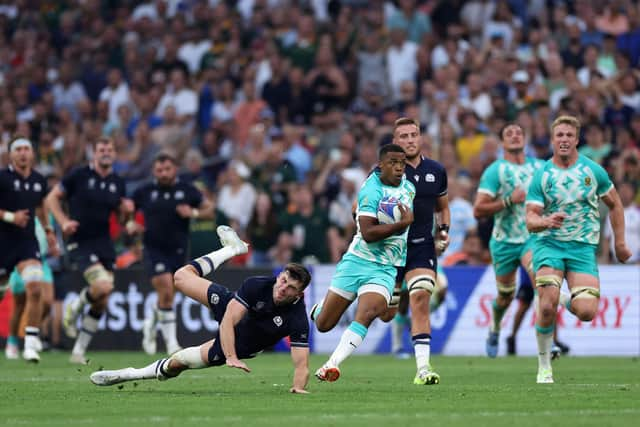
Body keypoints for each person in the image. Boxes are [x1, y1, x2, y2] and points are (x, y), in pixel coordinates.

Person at [90, 226, 312, 394]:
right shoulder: (258, 284)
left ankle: (130, 374)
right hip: (231, 314)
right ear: (279, 275)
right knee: (180, 277)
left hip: (245, 343)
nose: (283, 288)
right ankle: (230, 250)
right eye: (283, 280)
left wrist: (298, 388)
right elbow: (228, 320)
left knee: (179, 363)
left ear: (299, 295)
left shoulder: (297, 317)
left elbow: (302, 363)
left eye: (290, 287)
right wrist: (231, 358)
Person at [525, 115, 631, 383]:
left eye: (568, 136)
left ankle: (562, 297)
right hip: (549, 244)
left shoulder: (593, 171)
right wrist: (545, 221)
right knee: (546, 306)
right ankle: (544, 366)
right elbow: (530, 219)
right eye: (559, 135)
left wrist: (619, 242)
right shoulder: (542, 175)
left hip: (582, 249)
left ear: (577, 139)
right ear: (552, 139)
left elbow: (616, 204)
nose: (563, 140)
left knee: (586, 312)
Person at [310, 143, 415, 382]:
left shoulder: (409, 187)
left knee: (367, 313)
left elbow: (356, 212)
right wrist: (400, 225)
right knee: (324, 324)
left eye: (402, 163)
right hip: (357, 261)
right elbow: (367, 233)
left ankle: (331, 364)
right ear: (381, 166)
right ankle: (318, 310)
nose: (399, 168)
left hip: (385, 267)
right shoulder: (371, 189)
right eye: (393, 163)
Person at [46, 136, 133, 364]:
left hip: (104, 243)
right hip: (80, 240)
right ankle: (74, 307)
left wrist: (128, 213)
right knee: (102, 285)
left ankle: (78, 352)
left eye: (110, 149)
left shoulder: (118, 182)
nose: (106, 152)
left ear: (114, 153)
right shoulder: (79, 175)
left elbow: (122, 220)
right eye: (102, 149)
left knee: (102, 298)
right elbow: (51, 199)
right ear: (93, 152)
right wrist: (64, 221)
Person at [474, 123, 551, 358]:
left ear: (525, 139)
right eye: (509, 133)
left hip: (532, 237)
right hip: (504, 241)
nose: (515, 136)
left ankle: (548, 343)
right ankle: (495, 327)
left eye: (519, 132)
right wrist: (508, 200)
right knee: (506, 295)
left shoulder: (540, 167)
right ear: (502, 142)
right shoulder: (495, 171)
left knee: (542, 283)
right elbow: (478, 210)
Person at [132, 152, 214, 355]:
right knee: (167, 289)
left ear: (175, 169)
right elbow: (126, 210)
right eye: (159, 170)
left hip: (178, 250)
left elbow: (210, 209)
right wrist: (130, 224)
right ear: (154, 171)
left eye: (167, 169)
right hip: (153, 249)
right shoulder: (145, 191)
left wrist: (193, 213)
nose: (164, 174)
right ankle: (171, 343)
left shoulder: (187, 190)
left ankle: (151, 323)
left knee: (168, 295)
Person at [389, 117, 450, 385]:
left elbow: (442, 207)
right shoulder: (383, 172)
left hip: (421, 249)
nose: (410, 140)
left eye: (414, 134)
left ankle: (423, 368)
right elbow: (361, 206)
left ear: (420, 137)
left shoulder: (436, 170)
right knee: (383, 312)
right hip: (388, 252)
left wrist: (444, 231)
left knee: (421, 298)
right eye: (404, 136)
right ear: (395, 141)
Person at [0, 137, 57, 362]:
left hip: (26, 244)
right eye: (18, 149)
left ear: (32, 153)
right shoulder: (2, 177)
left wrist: (48, 230)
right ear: (10, 154)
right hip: (3, 244)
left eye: (26, 149)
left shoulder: (39, 180)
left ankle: (31, 343)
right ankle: (14, 341)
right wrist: (11, 217)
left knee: (35, 289)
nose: (23, 153)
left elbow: (41, 206)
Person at [5, 218, 56, 359]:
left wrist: (53, 242)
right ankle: (12, 341)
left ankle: (32, 333)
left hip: (42, 260)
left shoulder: (45, 212)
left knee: (47, 301)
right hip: (21, 259)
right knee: (19, 305)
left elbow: (49, 231)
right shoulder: (21, 210)